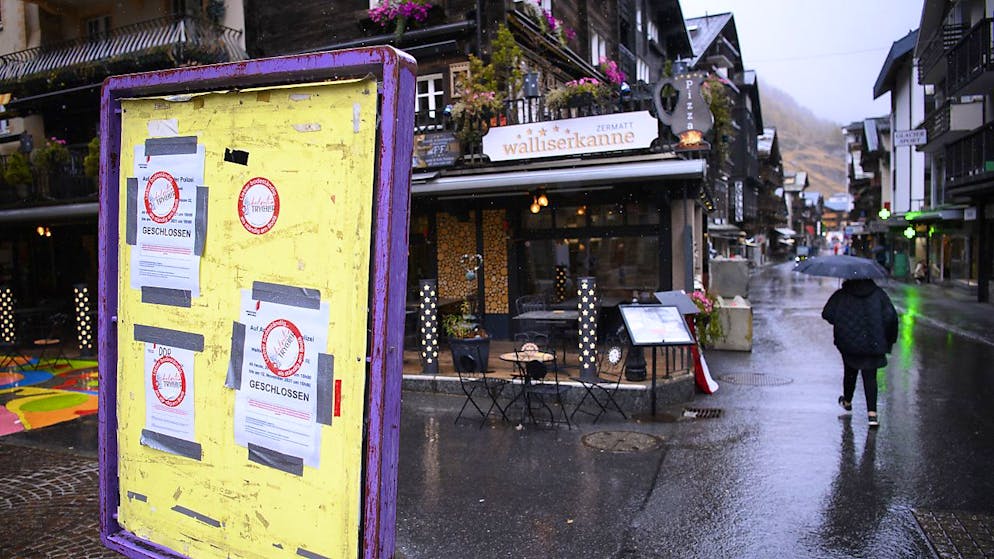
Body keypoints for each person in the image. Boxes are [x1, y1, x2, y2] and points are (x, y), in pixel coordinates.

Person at [821, 278, 898, 428]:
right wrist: (889, 340)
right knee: (870, 376)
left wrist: (840, 320)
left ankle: (847, 401)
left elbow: (827, 314)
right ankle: (872, 415)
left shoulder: (842, 294)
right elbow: (891, 317)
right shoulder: (878, 294)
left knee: (850, 371)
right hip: (873, 343)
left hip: (848, 343)